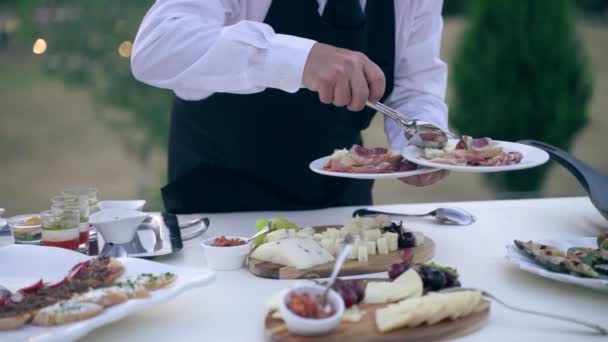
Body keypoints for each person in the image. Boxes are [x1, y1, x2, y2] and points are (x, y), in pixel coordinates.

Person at [131, 0, 450, 213]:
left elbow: (415, 81)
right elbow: (158, 45)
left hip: (341, 206)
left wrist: (422, 139)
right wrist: (299, 59)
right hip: (221, 206)